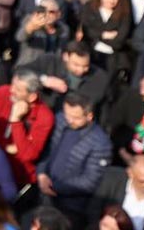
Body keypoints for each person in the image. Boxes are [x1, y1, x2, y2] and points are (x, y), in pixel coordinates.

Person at [36, 92, 113, 227]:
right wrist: (41, 173)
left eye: (76, 117)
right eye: (67, 115)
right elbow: (46, 150)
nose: (69, 120)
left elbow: (90, 181)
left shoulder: (101, 143)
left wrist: (54, 186)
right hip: (44, 196)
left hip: (70, 207)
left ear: (89, 116)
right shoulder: (60, 120)